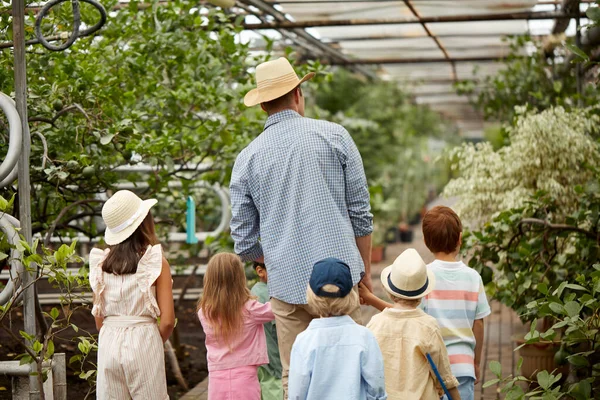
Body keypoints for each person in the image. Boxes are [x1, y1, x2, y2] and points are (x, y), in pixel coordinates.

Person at [230, 56, 373, 396]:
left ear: (263, 105)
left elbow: (243, 239)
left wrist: (273, 257)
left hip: (287, 285)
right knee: (350, 370)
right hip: (341, 282)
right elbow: (361, 214)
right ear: (298, 93)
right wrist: (363, 272)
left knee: (296, 376)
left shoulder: (247, 158)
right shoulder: (335, 136)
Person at [89, 190, 175, 400]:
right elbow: (167, 321)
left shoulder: (101, 263)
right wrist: (153, 341)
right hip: (144, 336)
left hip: (109, 337)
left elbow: (98, 320)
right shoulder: (155, 261)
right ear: (145, 222)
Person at [360, 249, 461, 400]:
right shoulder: (428, 325)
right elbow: (443, 374)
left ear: (389, 292)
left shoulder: (375, 323)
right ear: (422, 295)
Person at [288, 258, 387, 400]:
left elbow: (296, 394)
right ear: (351, 295)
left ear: (311, 294)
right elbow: (376, 388)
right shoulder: (365, 336)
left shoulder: (304, 340)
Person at [421, 206, 491, 400]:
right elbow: (479, 323)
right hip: (463, 366)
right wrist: (476, 361)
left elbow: (416, 321)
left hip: (432, 367)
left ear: (426, 242)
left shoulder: (424, 277)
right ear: (460, 239)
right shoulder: (473, 277)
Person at [198, 253, 276, 400]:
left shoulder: (204, 313)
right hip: (245, 378)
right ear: (239, 278)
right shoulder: (250, 309)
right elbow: (278, 310)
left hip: (216, 378)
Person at [250, 262, 283, 400]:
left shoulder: (254, 292)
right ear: (260, 271)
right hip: (274, 359)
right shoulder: (267, 293)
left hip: (261, 358)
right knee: (275, 390)